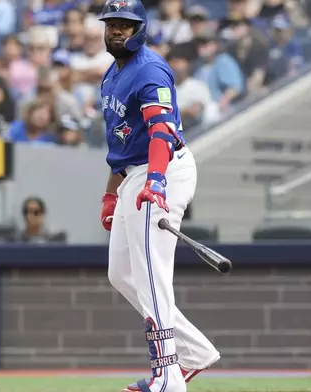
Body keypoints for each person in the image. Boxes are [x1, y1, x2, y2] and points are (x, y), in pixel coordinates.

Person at [97, 1, 220, 392]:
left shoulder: (149, 69)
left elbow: (161, 132)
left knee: (152, 274)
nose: (117, 30)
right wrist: (110, 195)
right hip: (134, 174)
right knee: (123, 274)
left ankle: (167, 375)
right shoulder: (111, 75)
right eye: (111, 24)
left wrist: (156, 181)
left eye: (125, 25)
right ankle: (195, 352)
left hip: (165, 169)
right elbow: (120, 144)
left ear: (141, 29)